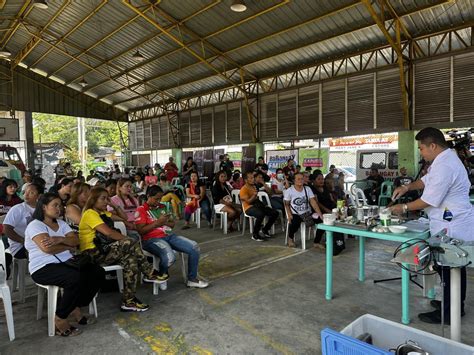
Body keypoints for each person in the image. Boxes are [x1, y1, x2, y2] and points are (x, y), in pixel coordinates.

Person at [391, 127, 474, 324]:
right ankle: (453, 303)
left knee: (449, 266)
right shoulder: (443, 160)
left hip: (453, 224)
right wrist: (407, 186)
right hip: (448, 221)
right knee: (450, 266)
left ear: (433, 146)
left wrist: (402, 207)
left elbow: (429, 200)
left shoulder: (445, 165)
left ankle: (449, 313)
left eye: (421, 148)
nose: (420, 152)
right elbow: (426, 181)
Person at [25, 193, 105, 337]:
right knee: (74, 278)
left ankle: (74, 306)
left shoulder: (61, 224)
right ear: (44, 207)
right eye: (54, 205)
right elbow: (47, 249)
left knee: (97, 272)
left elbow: (76, 241)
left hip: (67, 263)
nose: (59, 208)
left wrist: (59, 239)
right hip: (43, 267)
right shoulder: (35, 225)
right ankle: (60, 318)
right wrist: (67, 246)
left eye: (60, 205)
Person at [79, 187, 163, 312]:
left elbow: (123, 217)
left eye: (107, 198)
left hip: (107, 251)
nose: (106, 201)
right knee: (130, 241)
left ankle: (129, 301)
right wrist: (128, 240)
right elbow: (109, 233)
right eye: (103, 198)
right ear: (93, 200)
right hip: (92, 253)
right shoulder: (90, 213)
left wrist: (114, 205)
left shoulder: (103, 213)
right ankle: (149, 272)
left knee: (131, 261)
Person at [135, 186, 209, 288]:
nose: (159, 201)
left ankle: (192, 279)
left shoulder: (162, 207)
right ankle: (161, 274)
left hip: (168, 236)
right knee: (170, 257)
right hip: (150, 240)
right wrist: (157, 223)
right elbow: (141, 230)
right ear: (148, 196)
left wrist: (166, 222)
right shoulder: (141, 209)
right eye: (156, 199)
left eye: (160, 199)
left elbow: (172, 224)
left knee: (194, 247)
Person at [3, 183, 43, 260]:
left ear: (39, 196)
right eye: (25, 192)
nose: (26, 195)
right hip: (20, 246)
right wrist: (24, 241)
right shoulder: (18, 209)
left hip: (38, 243)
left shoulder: (43, 208)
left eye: (31, 193)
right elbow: (6, 229)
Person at [284, 173, 324, 248]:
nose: (300, 180)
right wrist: (289, 214)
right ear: (294, 181)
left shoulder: (307, 189)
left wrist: (320, 214)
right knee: (294, 222)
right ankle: (290, 238)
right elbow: (286, 204)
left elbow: (313, 202)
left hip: (307, 213)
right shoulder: (289, 191)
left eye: (302, 178)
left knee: (321, 221)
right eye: (298, 179)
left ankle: (316, 242)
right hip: (296, 213)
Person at [239, 172, 278, 242]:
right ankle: (255, 235)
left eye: (253, 177)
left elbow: (270, 192)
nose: (253, 179)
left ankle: (265, 230)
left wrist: (263, 183)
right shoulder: (243, 189)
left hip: (257, 206)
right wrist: (254, 195)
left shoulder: (254, 186)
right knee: (260, 214)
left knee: (275, 213)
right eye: (251, 178)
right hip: (248, 208)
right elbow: (248, 202)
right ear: (245, 180)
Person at [312, 173, 345, 254]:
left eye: (322, 179)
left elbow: (331, 200)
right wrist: (328, 211)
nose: (321, 181)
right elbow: (317, 203)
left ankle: (337, 241)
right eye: (319, 179)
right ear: (314, 181)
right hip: (318, 211)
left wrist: (338, 208)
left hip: (329, 209)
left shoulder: (325, 188)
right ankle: (316, 242)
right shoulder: (312, 189)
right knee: (324, 220)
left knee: (341, 216)